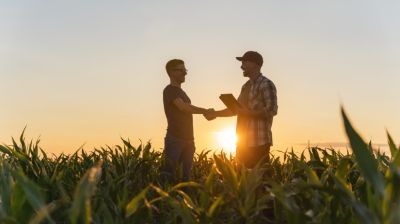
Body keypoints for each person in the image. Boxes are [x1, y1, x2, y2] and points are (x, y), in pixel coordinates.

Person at [205, 51, 278, 168]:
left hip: (259, 142)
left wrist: (247, 113)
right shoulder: (245, 86)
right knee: (242, 180)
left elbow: (272, 110)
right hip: (243, 143)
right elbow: (235, 110)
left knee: (261, 180)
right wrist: (215, 114)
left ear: (255, 64)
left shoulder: (266, 84)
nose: (241, 66)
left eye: (245, 62)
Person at [162, 59, 213, 181]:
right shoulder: (170, 90)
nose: (185, 73)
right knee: (168, 176)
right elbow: (183, 107)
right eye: (181, 70)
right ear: (171, 72)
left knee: (185, 178)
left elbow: (187, 108)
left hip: (189, 139)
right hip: (175, 138)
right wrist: (205, 111)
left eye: (185, 70)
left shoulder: (182, 92)